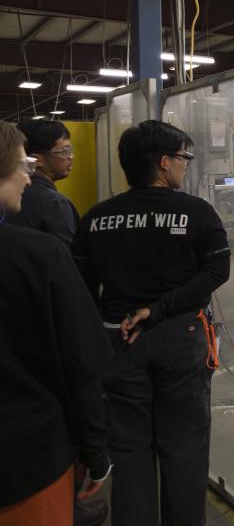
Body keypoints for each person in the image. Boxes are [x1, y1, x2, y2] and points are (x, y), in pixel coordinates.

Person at [72, 119, 231, 526]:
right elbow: (215, 274)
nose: (185, 166)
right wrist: (159, 310)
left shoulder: (95, 219)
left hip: (120, 342)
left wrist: (112, 328)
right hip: (181, 339)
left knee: (128, 450)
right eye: (183, 158)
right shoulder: (198, 213)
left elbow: (83, 290)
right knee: (184, 449)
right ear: (163, 163)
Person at [0, 122, 112, 525]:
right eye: (21, 165)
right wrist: (95, 450)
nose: (27, 177)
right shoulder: (39, 254)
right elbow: (80, 360)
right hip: (28, 459)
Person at [6, 119, 79, 244]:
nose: (70, 157)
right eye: (64, 151)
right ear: (36, 160)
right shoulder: (54, 203)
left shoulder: (8, 197)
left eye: (70, 151)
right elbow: (65, 255)